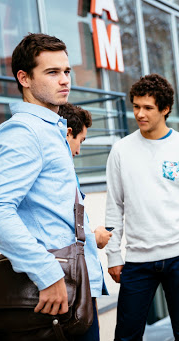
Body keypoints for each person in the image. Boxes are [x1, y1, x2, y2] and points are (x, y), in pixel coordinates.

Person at [0, 33, 103, 340]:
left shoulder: (51, 128)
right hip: (52, 288)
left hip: (73, 284)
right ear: (24, 78)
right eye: (52, 72)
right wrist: (47, 273)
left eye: (66, 71)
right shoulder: (23, 132)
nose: (64, 80)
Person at [105, 73, 179, 340]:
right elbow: (114, 206)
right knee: (126, 334)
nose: (139, 114)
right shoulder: (121, 150)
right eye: (136, 106)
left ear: (165, 109)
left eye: (148, 108)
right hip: (138, 260)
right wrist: (114, 255)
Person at [58, 103, 112, 249]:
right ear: (68, 134)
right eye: (80, 141)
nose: (79, 151)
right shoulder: (61, 174)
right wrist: (94, 238)